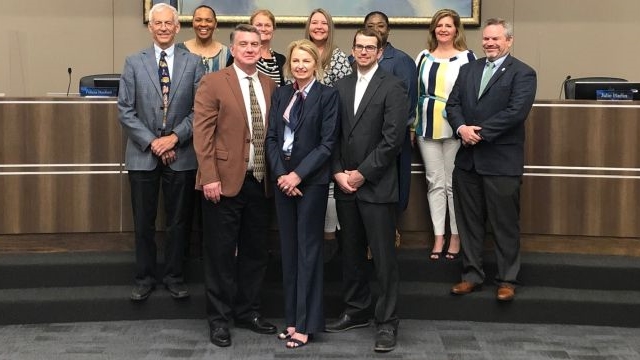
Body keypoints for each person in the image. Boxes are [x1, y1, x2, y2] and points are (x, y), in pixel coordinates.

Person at [193, 24, 279, 347]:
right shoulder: (214, 82)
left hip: (260, 181)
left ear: (261, 48)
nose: (249, 49)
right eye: (243, 44)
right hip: (223, 181)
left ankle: (248, 311)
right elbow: (202, 135)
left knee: (256, 252)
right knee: (220, 254)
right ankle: (219, 319)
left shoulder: (270, 85)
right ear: (232, 49)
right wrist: (210, 175)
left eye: (254, 44)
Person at [325, 28, 408, 353]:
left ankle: (386, 322)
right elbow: (330, 135)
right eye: (358, 46)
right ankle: (356, 309)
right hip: (345, 185)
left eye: (369, 47)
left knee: (384, 259)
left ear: (380, 51)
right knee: (351, 254)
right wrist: (337, 172)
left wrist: (361, 174)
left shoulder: (393, 87)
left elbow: (392, 141)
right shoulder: (340, 86)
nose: (363, 51)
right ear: (353, 50)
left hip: (376, 186)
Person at [117, 3, 204, 301]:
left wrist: (173, 139)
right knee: (143, 220)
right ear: (150, 27)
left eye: (169, 23)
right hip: (143, 154)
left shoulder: (193, 63)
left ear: (178, 27)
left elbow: (199, 110)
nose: (164, 28)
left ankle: (174, 276)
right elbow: (125, 110)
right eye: (158, 23)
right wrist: (154, 142)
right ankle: (144, 278)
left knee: (179, 221)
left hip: (181, 155)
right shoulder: (133, 62)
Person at [445, 18, 536, 301]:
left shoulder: (523, 73)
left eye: (496, 39)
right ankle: (471, 275)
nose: (489, 43)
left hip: (501, 161)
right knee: (469, 223)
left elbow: (516, 112)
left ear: (509, 41)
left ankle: (507, 279)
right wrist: (461, 128)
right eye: (486, 39)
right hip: (468, 162)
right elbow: (453, 104)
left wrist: (479, 134)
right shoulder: (468, 69)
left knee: (504, 223)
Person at [265, 39, 340, 349]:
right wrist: (282, 175)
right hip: (284, 181)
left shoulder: (327, 96)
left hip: (311, 183)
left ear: (315, 64)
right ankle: (292, 320)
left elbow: (327, 144)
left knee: (308, 252)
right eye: (295, 61)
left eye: (305, 61)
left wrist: (298, 174)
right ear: (289, 64)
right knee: (289, 252)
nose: (299, 66)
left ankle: (307, 324)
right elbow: (271, 138)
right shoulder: (281, 94)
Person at [413, 9, 476, 261]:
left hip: (454, 127)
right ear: (433, 29)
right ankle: (438, 236)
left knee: (452, 184)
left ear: (456, 29)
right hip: (425, 126)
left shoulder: (467, 57)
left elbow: (471, 94)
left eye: (448, 25)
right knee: (434, 182)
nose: (443, 29)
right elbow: (414, 93)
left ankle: (456, 235)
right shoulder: (423, 56)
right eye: (439, 25)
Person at [362, 11, 418, 246]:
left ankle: (388, 235)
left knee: (393, 187)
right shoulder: (354, 57)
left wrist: (390, 136)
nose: (377, 29)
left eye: (381, 25)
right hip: (362, 140)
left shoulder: (402, 60)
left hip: (392, 140)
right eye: (371, 25)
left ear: (388, 30)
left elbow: (408, 102)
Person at [303, 8, 352, 253]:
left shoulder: (339, 56)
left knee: (330, 181)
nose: (319, 26)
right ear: (308, 26)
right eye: (315, 22)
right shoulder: (301, 52)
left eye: (324, 22)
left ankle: (330, 238)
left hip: (330, 126)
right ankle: (310, 238)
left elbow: (345, 94)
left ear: (329, 27)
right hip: (302, 130)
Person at [178, 4, 232, 73]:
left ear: (215, 24)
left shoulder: (227, 54)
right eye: (198, 20)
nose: (203, 24)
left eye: (208, 20)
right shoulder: (179, 50)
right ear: (193, 23)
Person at [250, 9, 286, 86]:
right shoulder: (241, 56)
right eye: (259, 25)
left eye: (267, 25)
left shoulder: (281, 60)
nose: (263, 29)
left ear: (273, 28)